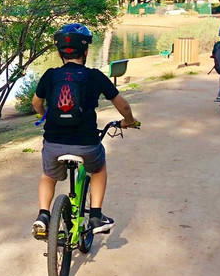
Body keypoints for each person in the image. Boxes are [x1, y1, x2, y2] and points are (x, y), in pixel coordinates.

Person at [31, 23, 139, 240]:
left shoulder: (51, 75)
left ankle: (43, 215)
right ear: (86, 51)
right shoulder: (95, 76)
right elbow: (124, 107)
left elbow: (36, 103)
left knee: (48, 176)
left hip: (54, 143)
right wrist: (129, 121)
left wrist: (44, 116)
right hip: (87, 144)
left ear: (59, 52)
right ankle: (96, 216)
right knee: (98, 169)